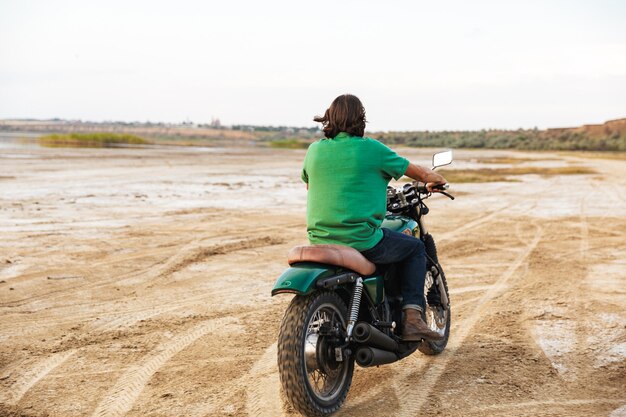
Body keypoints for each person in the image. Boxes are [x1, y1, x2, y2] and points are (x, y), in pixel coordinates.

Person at [301, 94, 446, 341]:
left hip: (320, 238)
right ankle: (412, 319)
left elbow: (310, 185)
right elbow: (417, 172)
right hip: (361, 239)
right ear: (361, 119)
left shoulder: (314, 150)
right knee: (414, 248)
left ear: (330, 118)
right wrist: (437, 180)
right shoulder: (372, 149)